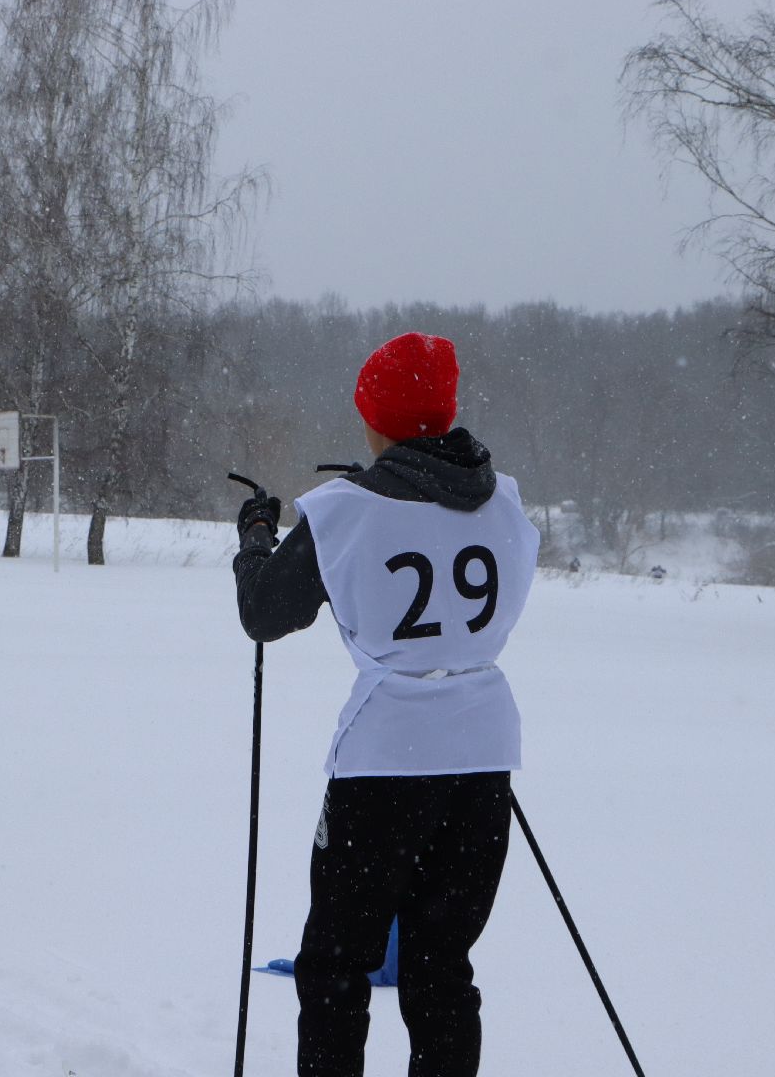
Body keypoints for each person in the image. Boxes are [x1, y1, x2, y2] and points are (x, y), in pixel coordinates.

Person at [232, 332, 539, 1077]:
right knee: (442, 967)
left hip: (385, 759)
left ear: (377, 418)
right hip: (483, 752)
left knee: (337, 966)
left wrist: (255, 541)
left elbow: (267, 616)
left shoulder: (343, 509)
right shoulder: (505, 499)